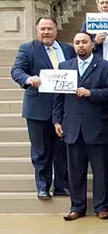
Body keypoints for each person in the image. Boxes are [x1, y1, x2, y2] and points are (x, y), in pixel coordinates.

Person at [53, 32, 108, 221]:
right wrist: (57, 121)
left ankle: (102, 207)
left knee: (101, 171)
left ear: (92, 44)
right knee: (75, 172)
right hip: (72, 127)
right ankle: (77, 206)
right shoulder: (65, 67)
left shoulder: (107, 67)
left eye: (84, 42)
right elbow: (58, 97)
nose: (80, 45)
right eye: (77, 42)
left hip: (98, 127)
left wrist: (91, 93)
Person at [10, 16, 75, 200]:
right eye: (43, 29)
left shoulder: (67, 49)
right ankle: (43, 187)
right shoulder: (27, 49)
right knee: (41, 150)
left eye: (50, 28)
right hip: (38, 108)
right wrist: (28, 79)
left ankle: (62, 185)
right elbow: (17, 71)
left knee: (62, 150)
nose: (46, 32)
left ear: (56, 30)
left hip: (63, 108)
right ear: (37, 30)